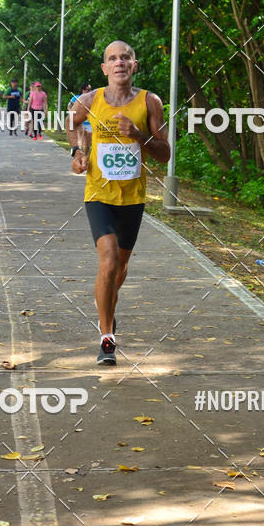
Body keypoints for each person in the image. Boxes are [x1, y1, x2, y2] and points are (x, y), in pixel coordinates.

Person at [66, 40, 170, 365]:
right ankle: (106, 336)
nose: (119, 62)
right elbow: (72, 123)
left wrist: (140, 136)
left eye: (125, 57)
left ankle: (107, 305)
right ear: (104, 68)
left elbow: (165, 154)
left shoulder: (149, 102)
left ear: (134, 64)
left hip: (133, 198)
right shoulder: (90, 100)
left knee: (120, 267)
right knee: (108, 261)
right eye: (112, 58)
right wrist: (78, 151)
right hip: (98, 194)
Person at [69, 82, 93, 154]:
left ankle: (85, 156)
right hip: (80, 122)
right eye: (88, 90)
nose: (90, 91)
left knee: (88, 144)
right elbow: (69, 106)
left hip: (89, 122)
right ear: (83, 90)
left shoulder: (92, 98)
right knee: (80, 140)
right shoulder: (76, 98)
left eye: (90, 90)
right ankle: (79, 155)